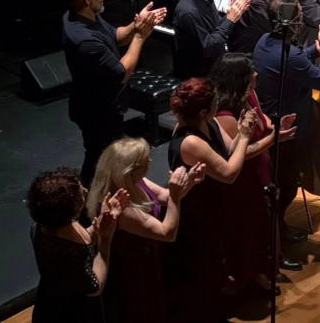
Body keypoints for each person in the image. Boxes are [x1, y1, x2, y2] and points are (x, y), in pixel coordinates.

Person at [162, 77, 261, 322]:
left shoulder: (209, 122)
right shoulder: (190, 140)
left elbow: (227, 152)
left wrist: (239, 132)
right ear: (204, 110)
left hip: (213, 207)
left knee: (215, 262)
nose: (220, 103)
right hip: (196, 214)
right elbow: (228, 173)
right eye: (216, 101)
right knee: (201, 268)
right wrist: (246, 136)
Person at [62, 0, 166, 186]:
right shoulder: (84, 40)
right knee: (98, 158)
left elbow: (115, 36)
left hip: (105, 105)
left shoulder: (88, 15)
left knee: (106, 156)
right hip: (97, 111)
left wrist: (136, 26)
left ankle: (103, 193)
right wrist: (140, 36)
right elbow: (122, 73)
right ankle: (86, 203)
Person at [209, 52, 299, 296]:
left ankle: (262, 269)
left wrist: (274, 126)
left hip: (261, 167)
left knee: (265, 219)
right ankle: (246, 274)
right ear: (238, 79)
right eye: (250, 73)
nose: (256, 75)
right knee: (248, 224)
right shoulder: (224, 116)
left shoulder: (250, 95)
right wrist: (273, 139)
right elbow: (238, 152)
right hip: (244, 177)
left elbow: (263, 118)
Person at [86, 139, 205, 323]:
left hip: (147, 257)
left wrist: (188, 181)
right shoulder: (121, 206)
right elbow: (167, 232)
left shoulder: (136, 181)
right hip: (134, 270)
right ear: (129, 172)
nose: (150, 162)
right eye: (145, 161)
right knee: (141, 310)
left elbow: (164, 197)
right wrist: (175, 194)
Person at [254, 0, 320, 243]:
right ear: (292, 22)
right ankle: (277, 238)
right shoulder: (291, 56)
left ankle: (278, 231)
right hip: (288, 129)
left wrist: (318, 45)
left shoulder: (264, 41)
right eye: (299, 16)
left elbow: (295, 60)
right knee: (286, 186)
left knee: (279, 184)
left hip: (269, 121)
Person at [26, 167, 127, 322]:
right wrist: (105, 240)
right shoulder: (69, 249)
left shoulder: (45, 225)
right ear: (67, 208)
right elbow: (95, 287)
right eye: (80, 193)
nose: (86, 191)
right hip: (70, 313)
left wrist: (101, 220)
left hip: (47, 301)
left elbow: (84, 238)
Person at [173, 0, 251, 79]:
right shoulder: (188, 11)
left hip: (213, 66)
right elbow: (208, 48)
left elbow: (215, 28)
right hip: (200, 76)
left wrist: (231, 14)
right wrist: (230, 20)